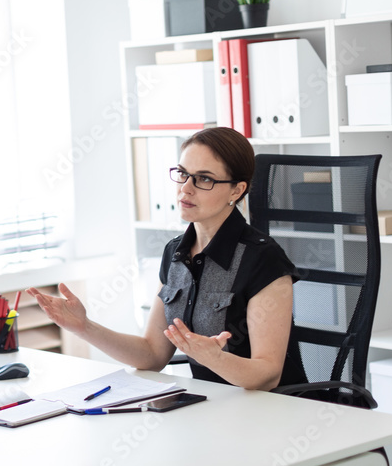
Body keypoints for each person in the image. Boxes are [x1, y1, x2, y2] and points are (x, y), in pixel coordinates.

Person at [27, 127, 305, 390]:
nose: (185, 188)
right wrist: (84, 327)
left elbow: (268, 376)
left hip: (275, 412)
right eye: (183, 174)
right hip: (215, 408)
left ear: (236, 190)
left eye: (204, 179)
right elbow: (153, 353)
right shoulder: (176, 253)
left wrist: (215, 358)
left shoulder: (263, 260)